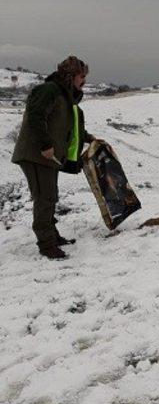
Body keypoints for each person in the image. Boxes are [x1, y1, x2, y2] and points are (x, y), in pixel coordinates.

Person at [12, 56, 98, 258]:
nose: (84, 80)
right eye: (81, 76)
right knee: (45, 197)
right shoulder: (49, 90)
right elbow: (35, 116)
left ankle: (52, 235)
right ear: (71, 76)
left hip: (47, 156)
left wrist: (89, 137)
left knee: (50, 196)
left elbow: (66, 127)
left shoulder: (65, 96)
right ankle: (46, 244)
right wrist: (45, 144)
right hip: (36, 154)